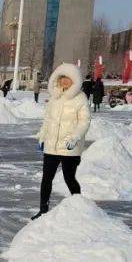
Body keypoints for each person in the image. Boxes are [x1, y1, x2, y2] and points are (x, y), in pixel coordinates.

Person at [32, 63, 90, 220]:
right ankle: (43, 210)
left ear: (75, 80)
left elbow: (84, 121)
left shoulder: (80, 98)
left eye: (68, 78)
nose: (64, 81)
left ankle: (80, 209)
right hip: (51, 145)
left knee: (69, 178)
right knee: (46, 178)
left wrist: (75, 137)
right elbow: (47, 120)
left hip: (69, 146)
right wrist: (42, 136)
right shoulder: (55, 97)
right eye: (62, 77)